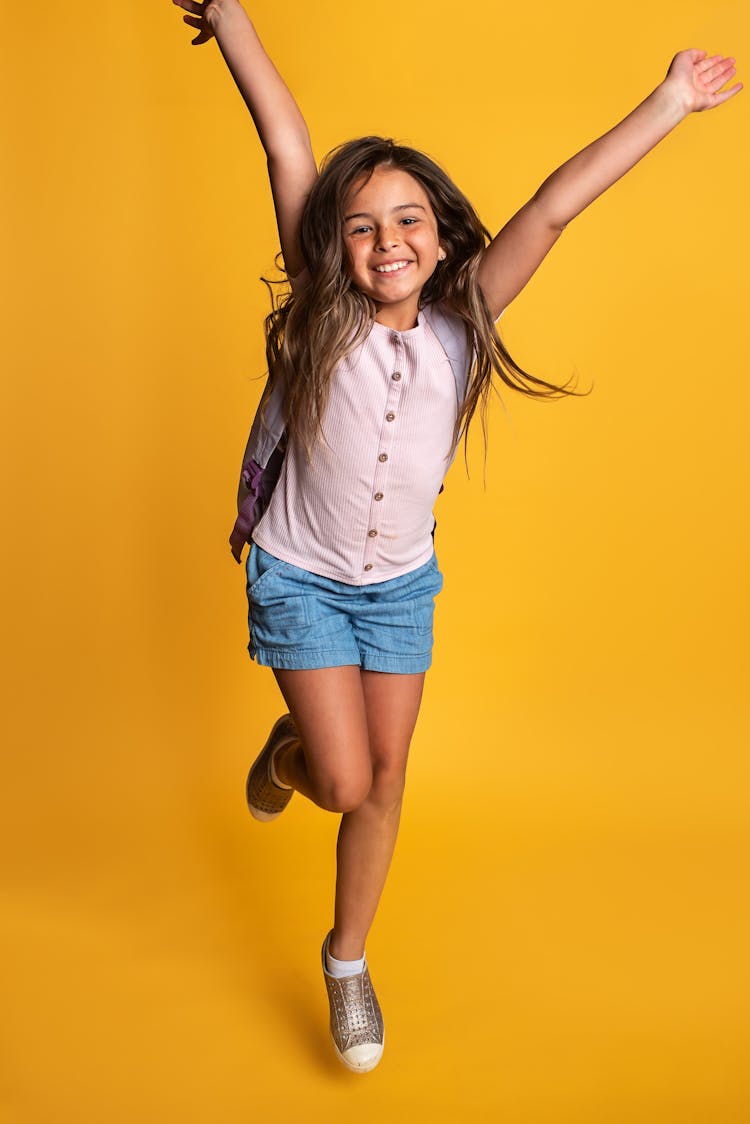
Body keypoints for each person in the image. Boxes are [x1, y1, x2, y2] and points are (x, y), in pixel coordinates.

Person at [171, 0, 741, 1074]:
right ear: (333, 244)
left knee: (388, 778)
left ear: (441, 237)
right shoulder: (322, 311)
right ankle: (291, 755)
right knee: (341, 778)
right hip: (302, 576)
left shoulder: (464, 321)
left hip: (398, 587)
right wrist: (234, 17)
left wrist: (667, 102)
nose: (388, 241)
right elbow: (286, 137)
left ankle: (346, 958)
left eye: (410, 221)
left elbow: (554, 206)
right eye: (363, 225)